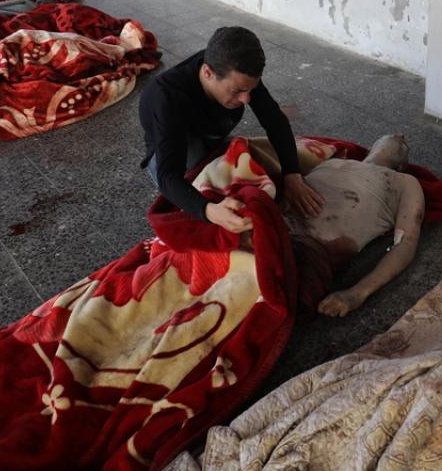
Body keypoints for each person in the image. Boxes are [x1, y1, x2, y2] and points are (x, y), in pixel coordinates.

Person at [139, 26, 325, 235]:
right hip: (170, 147)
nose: (246, 99)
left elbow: (275, 121)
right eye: (237, 92)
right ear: (208, 73)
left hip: (210, 134)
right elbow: (168, 175)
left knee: (252, 169)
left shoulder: (238, 73)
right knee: (198, 213)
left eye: (250, 90)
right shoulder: (167, 98)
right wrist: (209, 210)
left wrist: (292, 173)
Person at [249, 134, 425, 317]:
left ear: (401, 165)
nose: (400, 135)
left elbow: (406, 243)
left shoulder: (404, 182)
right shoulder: (335, 160)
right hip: (269, 225)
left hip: (308, 250)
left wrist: (357, 293)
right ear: (370, 149)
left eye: (403, 145)